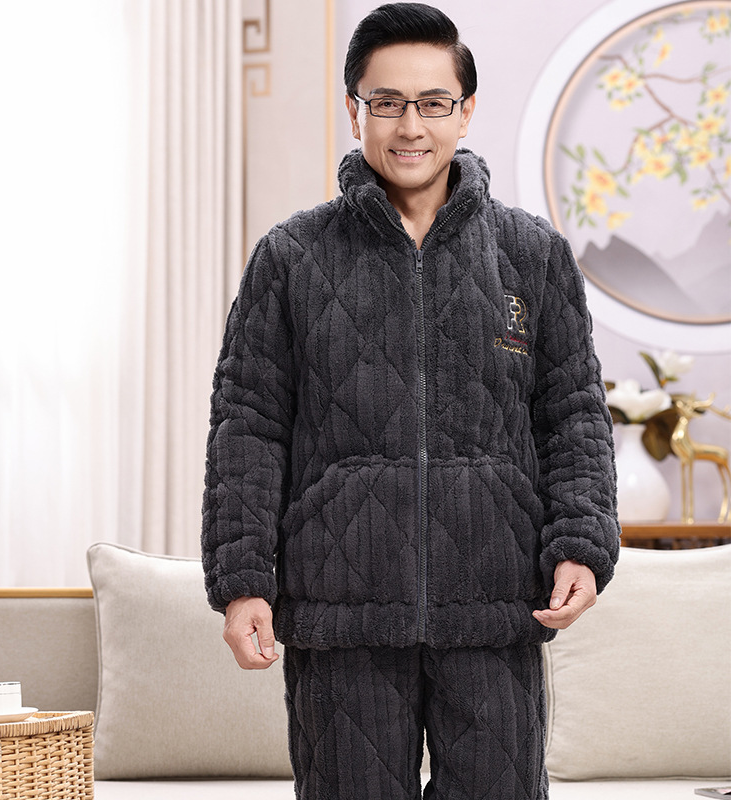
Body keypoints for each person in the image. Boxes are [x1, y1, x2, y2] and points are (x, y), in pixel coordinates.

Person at [202, 4, 621, 798]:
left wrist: (581, 543)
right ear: (353, 109)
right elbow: (247, 427)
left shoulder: (531, 254)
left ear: (466, 110)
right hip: (341, 614)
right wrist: (243, 580)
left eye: (432, 103)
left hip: (495, 606)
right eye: (386, 102)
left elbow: (572, 414)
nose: (410, 126)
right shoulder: (291, 257)